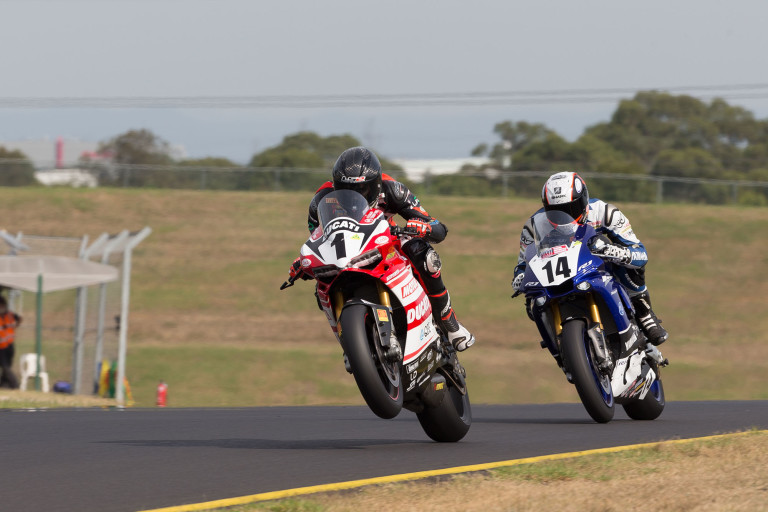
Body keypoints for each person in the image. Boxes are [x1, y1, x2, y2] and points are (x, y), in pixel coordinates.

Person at [289, 146, 475, 351]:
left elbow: (438, 228)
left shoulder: (393, 190)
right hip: (345, 252)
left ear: (376, 184)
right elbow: (317, 236)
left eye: (362, 189)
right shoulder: (321, 200)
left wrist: (424, 227)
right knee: (321, 285)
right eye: (345, 188)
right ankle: (350, 345)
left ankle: (447, 320)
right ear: (335, 185)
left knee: (424, 256)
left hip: (386, 244)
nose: (354, 196)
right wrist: (303, 263)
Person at [511, 171, 668, 345]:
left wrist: (618, 252)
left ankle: (644, 311)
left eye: (571, 209)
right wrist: (520, 276)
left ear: (584, 199)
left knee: (631, 265)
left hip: (595, 265)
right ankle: (557, 343)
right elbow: (523, 263)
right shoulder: (532, 226)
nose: (565, 217)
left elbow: (639, 252)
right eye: (556, 212)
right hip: (558, 274)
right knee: (534, 303)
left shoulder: (605, 212)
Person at [0, 295, 21, 389]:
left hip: (9, 345)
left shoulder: (9, 315)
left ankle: (9, 385)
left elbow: (19, 319)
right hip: (2, 347)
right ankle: (9, 385)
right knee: (5, 367)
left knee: (7, 366)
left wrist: (15, 326)